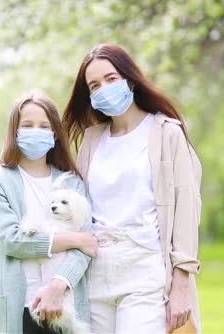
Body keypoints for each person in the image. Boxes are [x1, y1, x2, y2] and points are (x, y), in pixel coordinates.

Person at [62, 44, 202, 334]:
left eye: (111, 79)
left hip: (144, 268)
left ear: (131, 80)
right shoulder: (91, 141)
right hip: (96, 271)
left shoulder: (167, 133)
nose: (104, 88)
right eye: (95, 85)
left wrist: (181, 282)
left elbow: (187, 208)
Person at [0, 90, 98, 334]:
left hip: (65, 307)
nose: (36, 131)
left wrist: (57, 286)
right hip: (18, 307)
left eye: (44, 126)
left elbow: (85, 252)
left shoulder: (72, 183)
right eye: (28, 125)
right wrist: (74, 239)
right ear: (15, 132)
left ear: (54, 134)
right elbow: (11, 240)